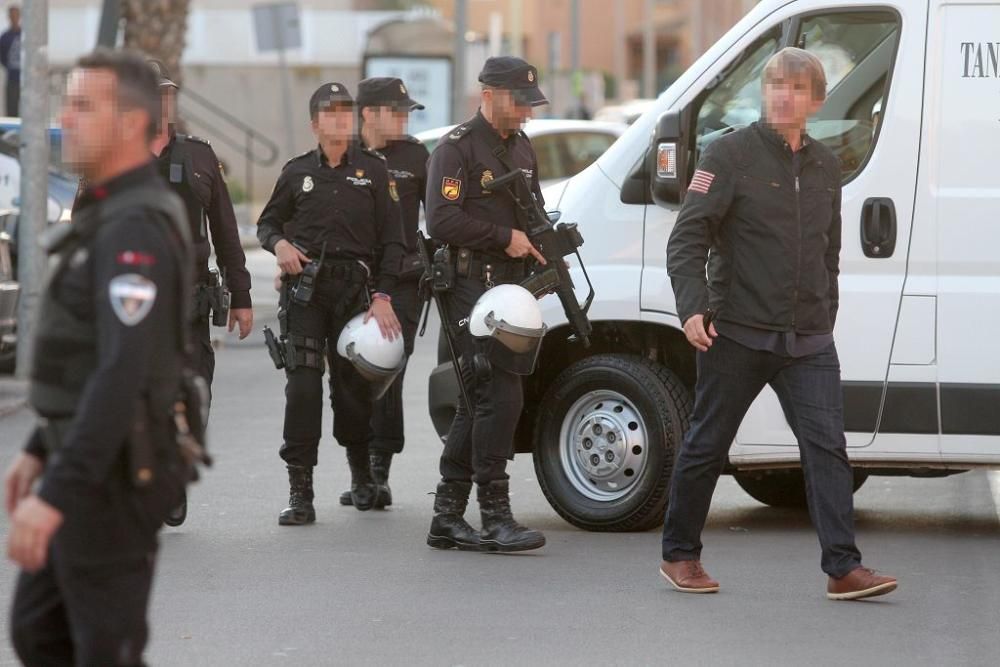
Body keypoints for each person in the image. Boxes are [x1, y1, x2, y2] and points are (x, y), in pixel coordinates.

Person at [660, 47, 897, 600]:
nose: (782, 96)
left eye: (795, 88)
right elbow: (687, 239)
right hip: (737, 331)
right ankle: (681, 555)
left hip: (808, 337)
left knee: (827, 450)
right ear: (763, 95)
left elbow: (829, 250)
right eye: (774, 86)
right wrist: (693, 307)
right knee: (707, 443)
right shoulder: (730, 154)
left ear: (815, 100)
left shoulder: (826, 164)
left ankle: (843, 568)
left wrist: (826, 311)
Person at [5, 49, 193, 664]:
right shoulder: (108, 209)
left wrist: (54, 492)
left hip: (113, 476)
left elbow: (122, 373)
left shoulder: (135, 225)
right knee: (39, 630)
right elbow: (86, 357)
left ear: (132, 123)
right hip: (82, 457)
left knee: (103, 650)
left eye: (85, 106)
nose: (68, 119)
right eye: (69, 104)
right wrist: (38, 448)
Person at [257, 82, 404, 526]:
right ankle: (300, 493)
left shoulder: (376, 172)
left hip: (354, 296)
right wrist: (280, 244)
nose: (340, 119)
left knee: (351, 390)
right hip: (306, 292)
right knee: (302, 388)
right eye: (331, 112)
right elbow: (267, 223)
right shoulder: (296, 171)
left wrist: (382, 296)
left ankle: (361, 474)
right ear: (315, 123)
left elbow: (393, 243)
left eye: (347, 112)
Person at [424, 56, 550, 553]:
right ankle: (495, 515)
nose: (526, 113)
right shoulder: (455, 150)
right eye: (519, 103)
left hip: (509, 289)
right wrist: (506, 238)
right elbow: (441, 221)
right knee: (500, 397)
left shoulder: (522, 147)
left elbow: (532, 211)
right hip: (467, 286)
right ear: (490, 95)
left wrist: (544, 242)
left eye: (530, 104)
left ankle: (447, 517)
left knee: (479, 400)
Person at [148, 60, 253, 526]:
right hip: (130, 304)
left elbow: (227, 233)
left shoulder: (199, 156)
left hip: (189, 300)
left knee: (195, 392)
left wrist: (243, 294)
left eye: (167, 93)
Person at [337, 76, 428, 510]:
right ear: (368, 113)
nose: (405, 119)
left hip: (403, 282)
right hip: (351, 281)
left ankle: (379, 471)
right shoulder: (342, 153)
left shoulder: (416, 155)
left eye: (408, 111)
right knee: (350, 377)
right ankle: (359, 471)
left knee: (387, 366)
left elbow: (441, 215)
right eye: (397, 111)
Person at [0, 5, 21, 116]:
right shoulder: (5, 37)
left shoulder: (25, 35)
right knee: (11, 110)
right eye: (12, 15)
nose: (14, 18)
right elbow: (2, 58)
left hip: (26, 81)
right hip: (12, 79)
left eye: (16, 15)